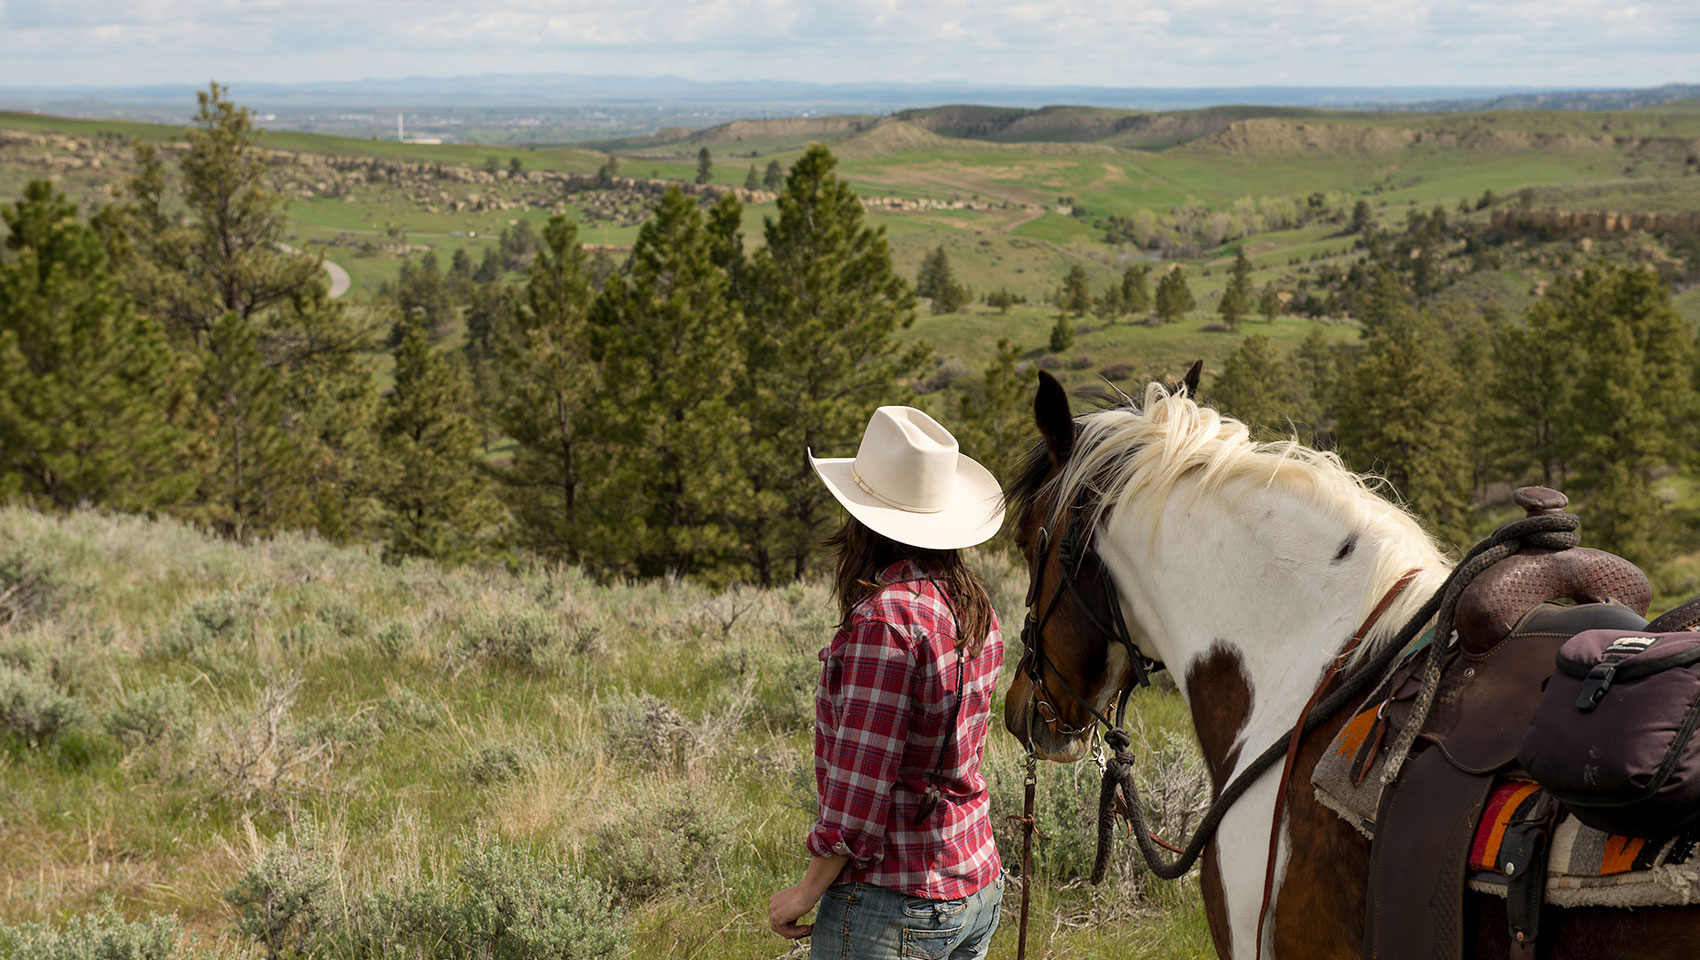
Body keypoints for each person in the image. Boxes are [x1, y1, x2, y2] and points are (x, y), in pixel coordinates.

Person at [768, 405, 1007, 959]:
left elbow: (860, 784)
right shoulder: (972, 605)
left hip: (893, 900)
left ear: (864, 522)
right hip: (973, 878)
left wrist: (805, 891)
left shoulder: (887, 620)